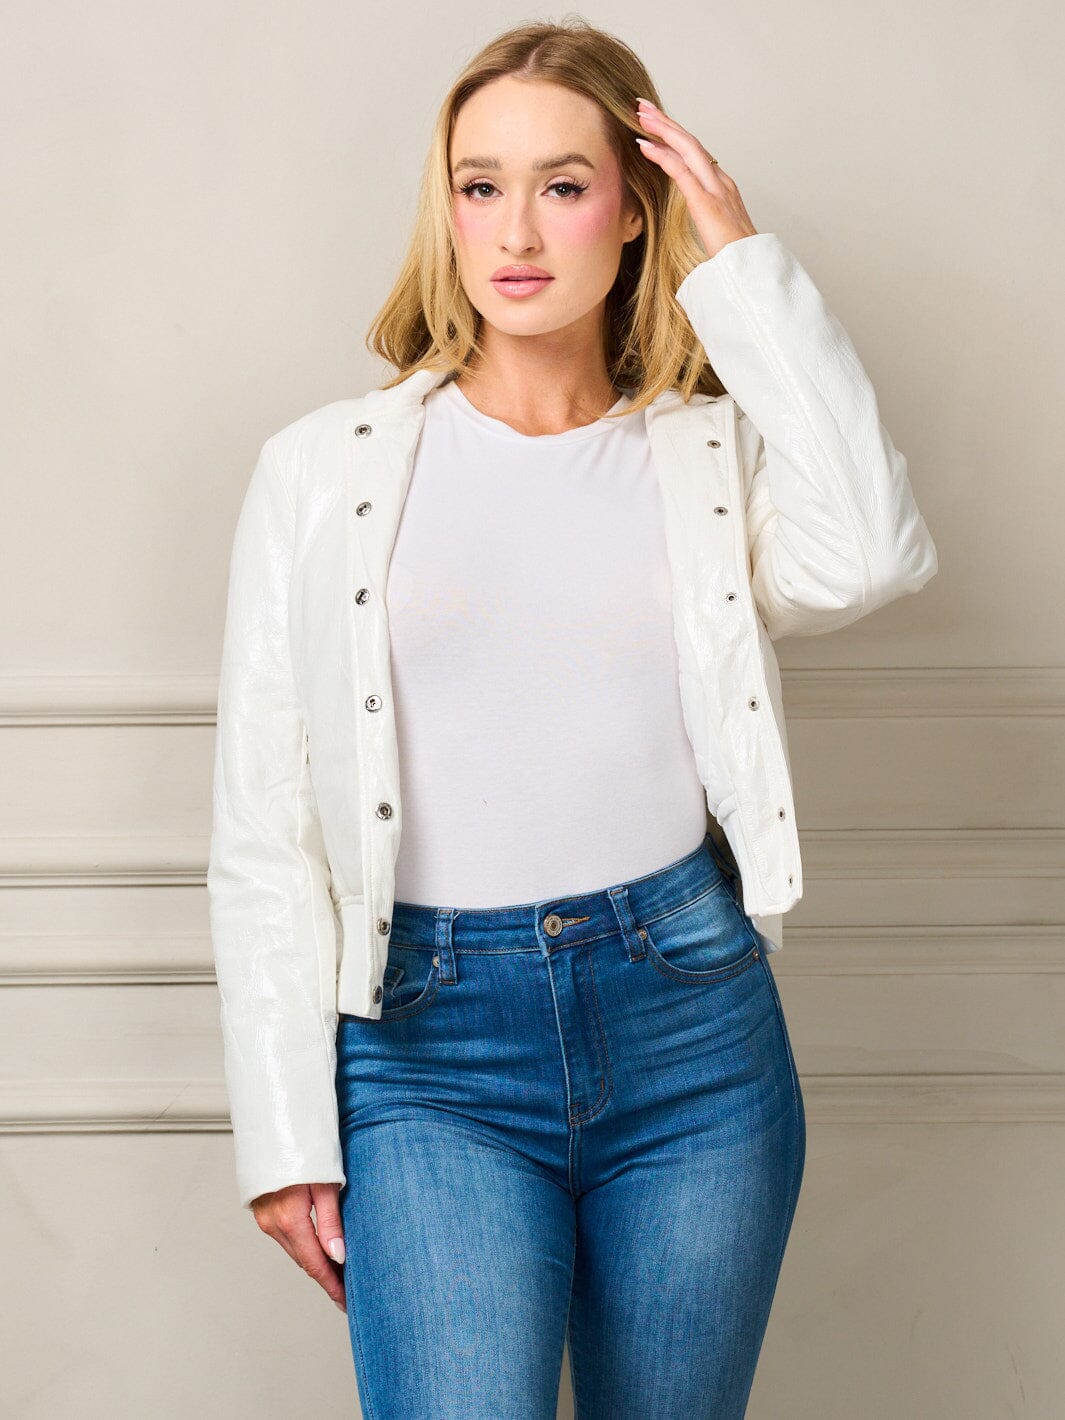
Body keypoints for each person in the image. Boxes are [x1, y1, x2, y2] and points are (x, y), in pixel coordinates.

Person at [207, 19, 938, 1419]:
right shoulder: (319, 474)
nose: (516, 230)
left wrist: (740, 266)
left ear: (636, 206)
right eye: (480, 185)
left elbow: (871, 552)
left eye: (564, 184)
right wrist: (285, 1135)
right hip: (427, 1053)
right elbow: (264, 826)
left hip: (691, 1031)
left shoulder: (704, 457)